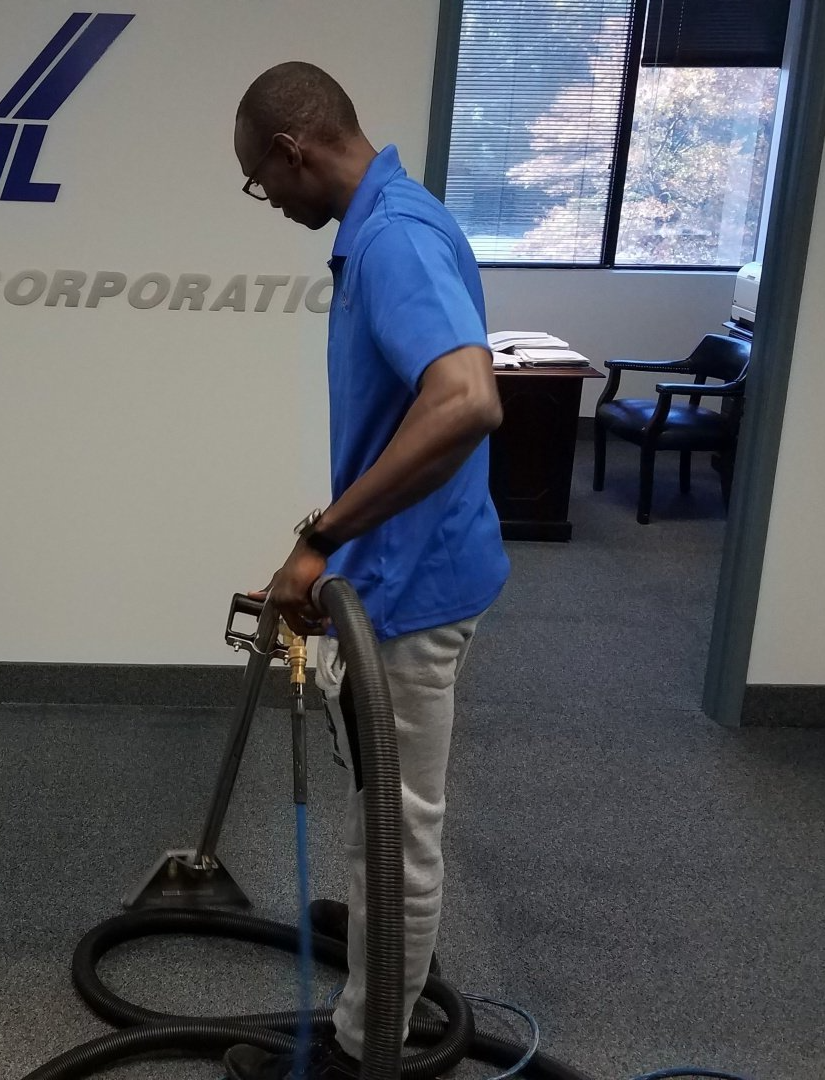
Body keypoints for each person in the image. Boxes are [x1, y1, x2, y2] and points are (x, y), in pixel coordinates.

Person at [228, 61, 509, 1080]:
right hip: (397, 565)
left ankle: (364, 1049)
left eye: (261, 181)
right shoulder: (388, 221)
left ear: (291, 151)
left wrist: (320, 537)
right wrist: (338, 549)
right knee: (382, 808)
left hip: (417, 582)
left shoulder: (393, 237)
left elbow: (467, 399)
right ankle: (384, 935)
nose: (269, 199)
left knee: (398, 828)